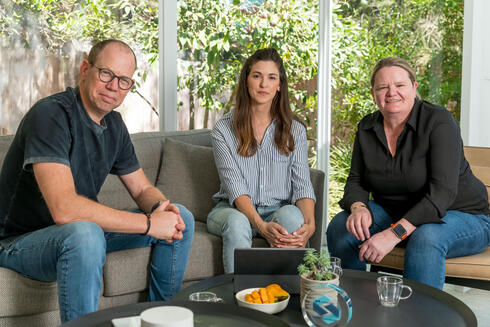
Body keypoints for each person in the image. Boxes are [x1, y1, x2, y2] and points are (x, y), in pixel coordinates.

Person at [0, 39, 194, 323]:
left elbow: (141, 188)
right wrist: (150, 224)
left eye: (124, 81)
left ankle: (157, 319)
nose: (113, 86)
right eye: (106, 74)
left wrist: (162, 209)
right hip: (18, 242)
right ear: (85, 69)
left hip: (76, 232)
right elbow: (64, 209)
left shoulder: (114, 125)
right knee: (85, 234)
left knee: (182, 219)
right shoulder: (50, 115)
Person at [327, 57, 490, 290]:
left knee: (426, 238)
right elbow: (356, 180)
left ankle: (419, 319)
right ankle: (356, 305)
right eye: (383, 87)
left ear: (414, 88)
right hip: (395, 213)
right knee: (342, 227)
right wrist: (358, 208)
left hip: (462, 215)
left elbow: (441, 194)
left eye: (400, 85)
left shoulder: (439, 121)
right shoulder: (366, 128)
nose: (391, 92)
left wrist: (393, 234)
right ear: (373, 93)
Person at [207, 48, 316, 274]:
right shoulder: (223, 129)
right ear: (246, 81)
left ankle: (286, 295)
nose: (263, 84)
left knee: (293, 215)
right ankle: (239, 301)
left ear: (279, 86)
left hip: (276, 209)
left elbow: (302, 183)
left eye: (271, 78)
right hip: (231, 210)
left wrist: (310, 225)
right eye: (257, 76)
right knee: (238, 223)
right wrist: (260, 226)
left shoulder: (294, 129)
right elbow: (235, 187)